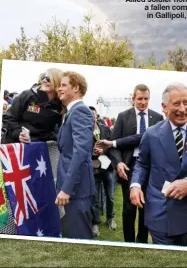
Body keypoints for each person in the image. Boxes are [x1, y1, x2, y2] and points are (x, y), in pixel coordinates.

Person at [130, 83, 187, 247]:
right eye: (176, 104)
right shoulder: (151, 134)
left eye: (186, 103)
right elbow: (142, 164)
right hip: (161, 214)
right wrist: (135, 185)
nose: (182, 109)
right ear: (164, 107)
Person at [105, 84, 163, 243]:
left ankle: (142, 241)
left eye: (146, 99)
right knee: (129, 208)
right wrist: (118, 163)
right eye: (140, 99)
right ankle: (129, 242)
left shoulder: (157, 118)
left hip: (150, 167)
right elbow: (112, 145)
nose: (143, 102)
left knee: (145, 206)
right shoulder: (123, 116)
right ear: (133, 99)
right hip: (128, 166)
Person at [55, 71, 95, 239]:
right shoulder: (70, 112)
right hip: (73, 188)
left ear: (76, 88)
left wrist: (66, 188)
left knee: (78, 238)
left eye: (63, 85)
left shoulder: (80, 111)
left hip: (76, 190)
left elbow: (80, 152)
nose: (59, 89)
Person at [2, 68, 63, 144]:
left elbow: (58, 130)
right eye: (43, 78)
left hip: (40, 147)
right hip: (15, 144)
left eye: (48, 79)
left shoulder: (60, 105)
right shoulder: (27, 95)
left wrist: (54, 137)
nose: (44, 80)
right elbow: (8, 117)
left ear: (57, 82)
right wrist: (19, 133)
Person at [89, 106, 118, 237]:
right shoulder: (83, 131)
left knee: (110, 196)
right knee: (94, 197)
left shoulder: (105, 128)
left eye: (93, 114)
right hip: (93, 166)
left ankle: (110, 218)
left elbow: (112, 147)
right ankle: (95, 222)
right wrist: (92, 153)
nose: (91, 117)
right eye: (89, 115)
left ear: (97, 116)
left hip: (107, 166)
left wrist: (104, 151)